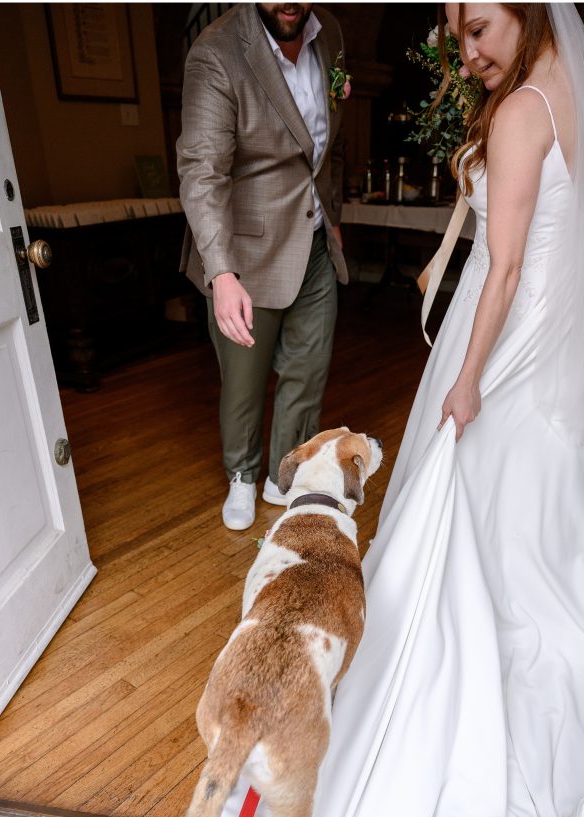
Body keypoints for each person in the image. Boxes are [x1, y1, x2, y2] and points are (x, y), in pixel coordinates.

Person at [175, 4, 584, 817]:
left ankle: (467, 692)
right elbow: (534, 230)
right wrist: (448, 255)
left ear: (524, 11)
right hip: (547, 354)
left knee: (456, 531)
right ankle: (534, 683)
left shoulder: (521, 107)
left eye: (477, 28)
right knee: (530, 549)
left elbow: (515, 264)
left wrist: (469, 377)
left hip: (508, 345)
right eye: (457, 32)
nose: (464, 51)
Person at [177, 3, 348, 531]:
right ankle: (243, 476)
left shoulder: (332, 33)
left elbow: (323, 147)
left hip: (315, 238)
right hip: (243, 252)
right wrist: (221, 273)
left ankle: (282, 476)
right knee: (244, 381)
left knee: (308, 366)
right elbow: (201, 171)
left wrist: (333, 216)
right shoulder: (217, 52)